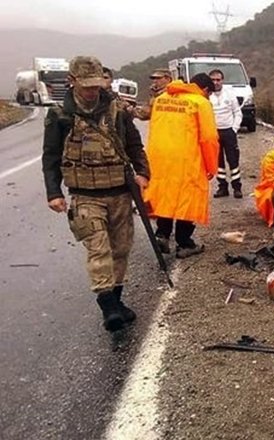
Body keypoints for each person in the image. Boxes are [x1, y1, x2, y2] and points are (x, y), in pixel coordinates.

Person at [41, 56, 150, 332]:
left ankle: (117, 299)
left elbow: (135, 145)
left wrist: (142, 172)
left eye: (96, 85)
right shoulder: (60, 115)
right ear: (73, 81)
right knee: (98, 248)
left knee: (121, 248)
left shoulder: (117, 111)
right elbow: (51, 156)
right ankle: (108, 306)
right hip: (85, 195)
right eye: (86, 85)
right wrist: (54, 192)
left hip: (120, 192)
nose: (92, 91)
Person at [143, 73, 219, 258]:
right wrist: (211, 167)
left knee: (165, 196)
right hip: (187, 159)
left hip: (159, 159)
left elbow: (152, 129)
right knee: (188, 198)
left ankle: (162, 234)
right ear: (206, 89)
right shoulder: (200, 103)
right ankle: (184, 242)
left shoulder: (162, 99)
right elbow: (209, 139)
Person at [208, 69, 244, 199]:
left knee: (233, 160)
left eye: (218, 80)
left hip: (229, 131)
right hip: (213, 133)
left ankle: (237, 188)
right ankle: (222, 187)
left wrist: (234, 129)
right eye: (213, 80)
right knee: (218, 162)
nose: (216, 82)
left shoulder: (229, 94)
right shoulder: (206, 95)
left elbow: (237, 113)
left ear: (222, 80)